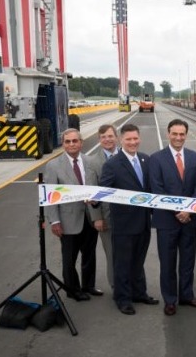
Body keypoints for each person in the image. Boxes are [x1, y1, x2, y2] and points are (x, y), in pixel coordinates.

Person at [149, 119, 196, 316]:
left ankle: (187, 295)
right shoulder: (156, 159)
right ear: (168, 134)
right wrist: (177, 211)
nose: (178, 137)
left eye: (182, 134)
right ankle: (170, 300)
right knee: (168, 262)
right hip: (166, 220)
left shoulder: (194, 157)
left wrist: (188, 210)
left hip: (190, 220)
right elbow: (157, 188)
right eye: (175, 134)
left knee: (188, 261)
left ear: (186, 135)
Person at [100, 123, 159, 315]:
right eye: (129, 139)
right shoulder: (112, 164)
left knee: (138, 260)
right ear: (121, 140)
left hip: (143, 222)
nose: (133, 142)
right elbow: (104, 190)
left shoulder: (145, 159)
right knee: (123, 263)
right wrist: (92, 201)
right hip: (124, 224)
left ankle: (139, 293)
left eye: (135, 138)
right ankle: (123, 298)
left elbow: (150, 188)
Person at [45, 128, 103, 301]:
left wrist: (98, 211)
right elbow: (50, 197)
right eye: (67, 141)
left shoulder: (90, 161)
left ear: (81, 142)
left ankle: (88, 286)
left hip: (90, 217)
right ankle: (73, 290)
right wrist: (54, 221)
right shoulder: (53, 165)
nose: (71, 144)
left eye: (75, 141)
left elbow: (97, 188)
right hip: (68, 220)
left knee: (89, 254)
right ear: (63, 144)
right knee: (69, 259)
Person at [87, 124, 118, 290]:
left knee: (130, 254)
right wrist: (97, 218)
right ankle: (116, 287)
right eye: (103, 137)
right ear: (99, 140)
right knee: (112, 255)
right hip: (106, 217)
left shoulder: (126, 155)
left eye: (110, 136)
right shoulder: (92, 161)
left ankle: (133, 285)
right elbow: (92, 191)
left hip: (128, 217)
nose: (107, 140)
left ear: (116, 137)